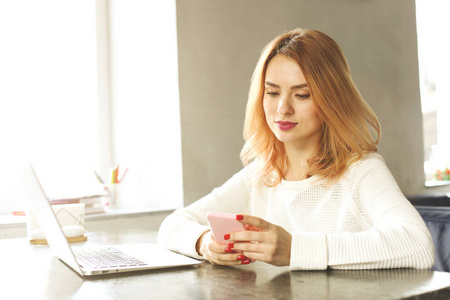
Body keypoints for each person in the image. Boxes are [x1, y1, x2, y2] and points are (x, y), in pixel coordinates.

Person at [157, 28, 434, 270]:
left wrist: (294, 250)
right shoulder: (263, 174)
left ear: (331, 99)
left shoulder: (362, 170)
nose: (283, 109)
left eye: (302, 95)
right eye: (273, 92)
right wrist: (204, 242)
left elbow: (417, 245)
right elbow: (173, 225)